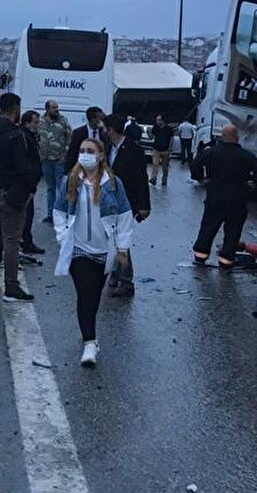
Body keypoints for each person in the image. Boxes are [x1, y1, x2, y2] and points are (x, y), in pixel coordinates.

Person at [52, 138, 133, 367]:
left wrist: (122, 248)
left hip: (104, 251)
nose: (85, 154)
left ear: (100, 155)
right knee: (86, 294)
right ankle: (89, 343)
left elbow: (124, 216)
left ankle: (88, 330)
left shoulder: (113, 184)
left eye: (90, 151)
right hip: (79, 250)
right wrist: (62, 237)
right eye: (82, 150)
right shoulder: (71, 181)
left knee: (94, 296)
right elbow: (59, 211)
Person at [0, 92, 35, 302]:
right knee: (11, 240)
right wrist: (28, 190)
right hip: (10, 193)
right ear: (16, 109)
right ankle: (11, 287)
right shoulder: (15, 135)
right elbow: (23, 168)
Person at [190, 124, 257, 269]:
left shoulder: (211, 152)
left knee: (209, 225)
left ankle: (200, 254)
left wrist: (200, 178)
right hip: (237, 196)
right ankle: (226, 259)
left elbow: (195, 163)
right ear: (237, 137)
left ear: (222, 137)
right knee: (233, 230)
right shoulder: (246, 155)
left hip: (215, 194)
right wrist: (253, 183)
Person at [103, 114, 150, 297]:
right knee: (113, 238)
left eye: (105, 128)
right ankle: (116, 273)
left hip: (126, 201)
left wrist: (144, 205)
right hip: (108, 200)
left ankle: (126, 280)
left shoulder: (134, 149)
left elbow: (141, 177)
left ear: (111, 129)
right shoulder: (107, 148)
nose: (103, 131)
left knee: (120, 240)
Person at [36, 100, 71, 224]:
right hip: (46, 160)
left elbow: (69, 138)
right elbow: (37, 138)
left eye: (57, 107)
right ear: (47, 109)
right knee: (50, 188)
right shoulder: (40, 122)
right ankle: (50, 214)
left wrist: (65, 155)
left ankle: (63, 212)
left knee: (61, 187)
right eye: (54, 107)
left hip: (59, 160)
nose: (56, 109)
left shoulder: (63, 121)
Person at [18, 110, 45, 255]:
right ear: (27, 123)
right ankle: (25, 242)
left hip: (30, 184)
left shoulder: (32, 136)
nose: (38, 125)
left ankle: (26, 241)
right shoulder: (23, 137)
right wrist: (31, 184)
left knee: (28, 215)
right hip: (25, 185)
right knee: (26, 215)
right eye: (35, 122)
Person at [64, 105, 106, 170]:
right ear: (93, 120)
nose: (103, 121)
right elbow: (72, 152)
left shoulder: (104, 132)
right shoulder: (78, 133)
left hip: (100, 167)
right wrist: (68, 169)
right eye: (101, 119)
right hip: (83, 167)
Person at [150, 114, 175, 186]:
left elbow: (171, 139)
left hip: (165, 150)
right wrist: (149, 133)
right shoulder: (155, 128)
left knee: (165, 166)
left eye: (159, 120)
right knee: (155, 164)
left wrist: (170, 149)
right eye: (156, 120)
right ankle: (154, 178)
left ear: (163, 121)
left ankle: (164, 180)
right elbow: (151, 137)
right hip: (156, 149)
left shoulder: (169, 129)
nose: (157, 122)